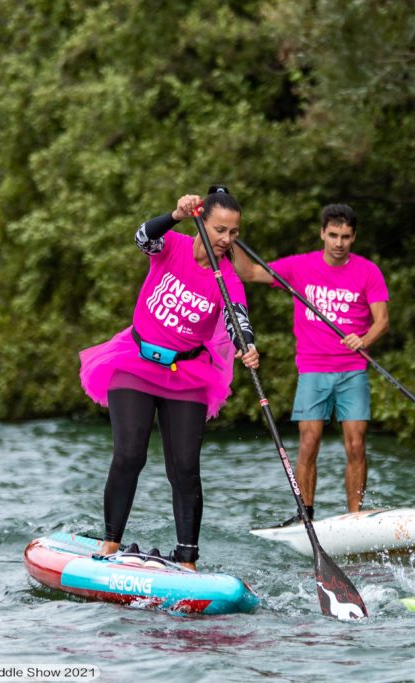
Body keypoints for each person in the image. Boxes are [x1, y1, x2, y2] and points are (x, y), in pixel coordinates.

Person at [78, 188, 260, 570]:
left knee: (185, 468)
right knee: (129, 454)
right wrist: (175, 215)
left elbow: (236, 316)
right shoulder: (173, 245)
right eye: (219, 230)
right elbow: (143, 237)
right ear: (201, 223)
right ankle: (110, 544)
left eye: (233, 232)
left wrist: (247, 345)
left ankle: (188, 560)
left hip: (188, 373)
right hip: (135, 363)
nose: (226, 240)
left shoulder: (228, 277)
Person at [232, 204, 389, 525]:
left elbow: (382, 321)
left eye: (345, 236)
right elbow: (248, 273)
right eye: (333, 235)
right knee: (309, 441)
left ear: (354, 237)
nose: (339, 243)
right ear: (322, 234)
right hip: (313, 369)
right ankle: (306, 513)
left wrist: (365, 340)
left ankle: (356, 516)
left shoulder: (368, 271)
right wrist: (230, 237)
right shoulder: (300, 267)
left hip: (352, 369)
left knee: (356, 444)